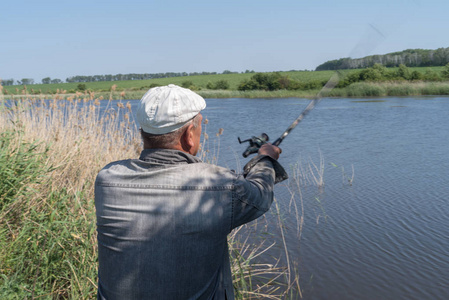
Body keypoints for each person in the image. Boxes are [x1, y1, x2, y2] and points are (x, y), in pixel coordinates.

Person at [95, 84, 287, 300]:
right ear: (189, 135)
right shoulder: (221, 186)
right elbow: (260, 194)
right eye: (199, 126)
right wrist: (266, 158)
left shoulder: (107, 179)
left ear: (143, 132)